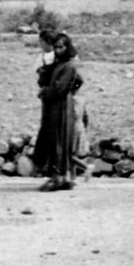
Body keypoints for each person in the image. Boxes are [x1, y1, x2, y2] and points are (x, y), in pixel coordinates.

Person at [32, 31, 86, 191]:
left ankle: (58, 177)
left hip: (61, 108)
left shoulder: (69, 65)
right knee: (52, 139)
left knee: (59, 141)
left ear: (67, 47)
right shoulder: (59, 64)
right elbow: (48, 80)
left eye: (61, 47)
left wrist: (49, 92)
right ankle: (61, 177)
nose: (58, 50)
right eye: (56, 47)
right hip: (53, 108)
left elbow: (60, 88)